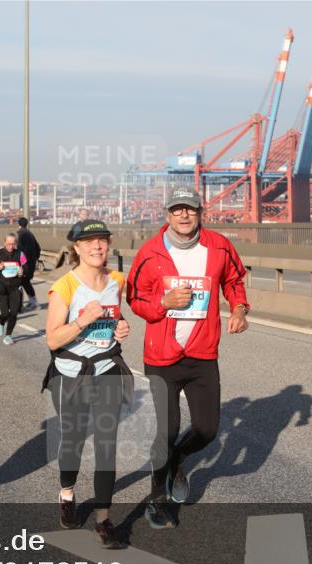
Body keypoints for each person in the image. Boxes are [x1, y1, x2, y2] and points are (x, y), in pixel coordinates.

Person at [126, 187, 250, 529]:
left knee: (208, 430)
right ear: (167, 215)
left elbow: (234, 280)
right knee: (166, 431)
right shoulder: (150, 253)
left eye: (190, 210)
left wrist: (238, 309)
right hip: (162, 356)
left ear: (200, 214)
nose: (184, 215)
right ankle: (157, 500)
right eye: (177, 209)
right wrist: (163, 303)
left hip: (202, 353)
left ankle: (178, 459)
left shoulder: (220, 246)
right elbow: (135, 298)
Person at [42, 219, 131, 548]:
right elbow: (52, 340)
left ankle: (104, 519)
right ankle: (67, 493)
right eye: (89, 241)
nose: (97, 247)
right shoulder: (65, 286)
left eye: (102, 240)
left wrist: (121, 326)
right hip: (71, 373)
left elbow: (116, 317)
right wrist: (82, 320)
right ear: (76, 248)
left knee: (107, 443)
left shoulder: (117, 280)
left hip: (107, 367)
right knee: (74, 440)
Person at [0, 233, 28, 345]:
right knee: (5, 313)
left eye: (13, 244)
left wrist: (23, 272)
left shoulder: (20, 254)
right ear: (4, 243)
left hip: (15, 286)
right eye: (8, 244)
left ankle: (8, 336)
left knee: (14, 312)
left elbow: (26, 267)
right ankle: (1, 323)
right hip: (2, 286)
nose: (11, 247)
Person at [16, 217, 41, 308]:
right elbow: (38, 248)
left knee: (18, 282)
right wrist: (35, 259)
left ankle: (19, 304)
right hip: (31, 262)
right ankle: (33, 301)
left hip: (23, 263)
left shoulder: (19, 234)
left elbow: (18, 249)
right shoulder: (30, 234)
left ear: (18, 224)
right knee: (25, 282)